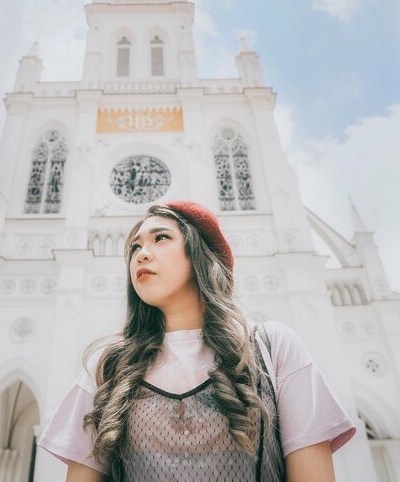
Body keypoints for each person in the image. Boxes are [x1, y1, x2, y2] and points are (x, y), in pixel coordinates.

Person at [39, 201, 356, 481]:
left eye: (160, 238)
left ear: (201, 253)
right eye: (134, 247)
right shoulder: (107, 366)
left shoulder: (273, 347)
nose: (141, 254)